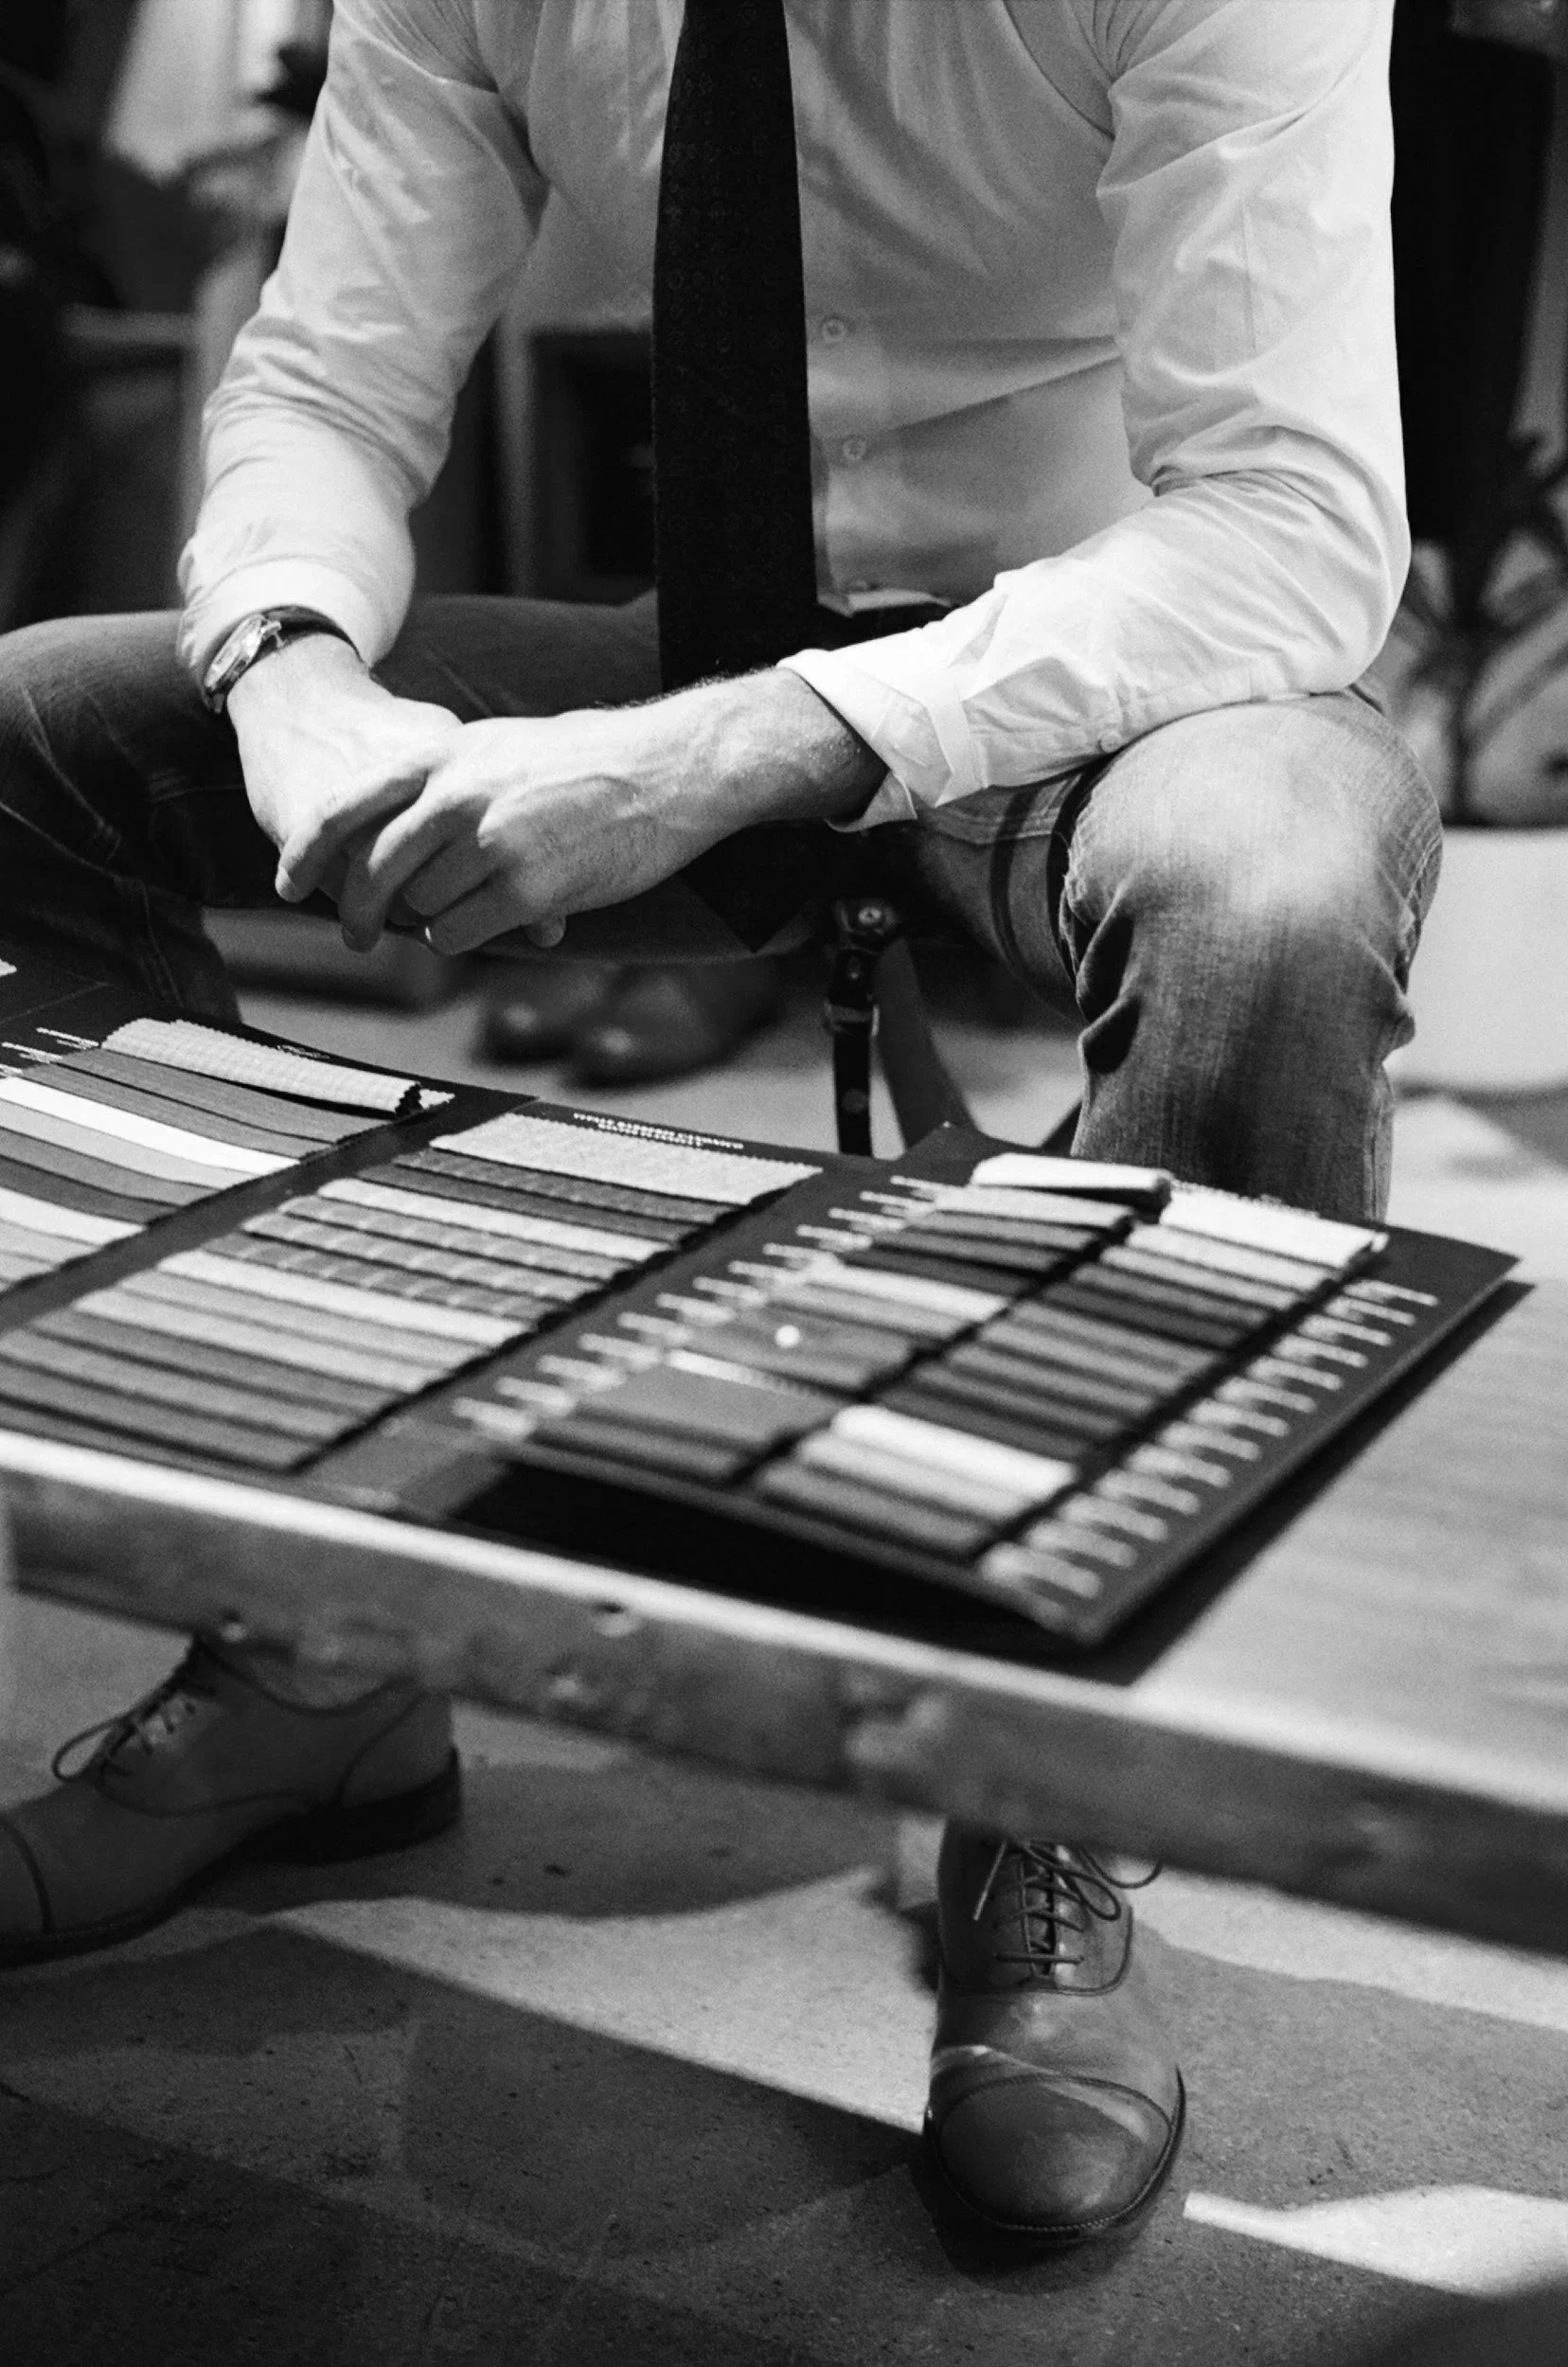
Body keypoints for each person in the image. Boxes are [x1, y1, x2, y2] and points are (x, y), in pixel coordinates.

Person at [0, 0, 1437, 2254]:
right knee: (33, 743)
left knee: (1267, 882)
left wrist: (729, 753)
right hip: (714, 632)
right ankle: (311, 1640)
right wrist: (291, 673)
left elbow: (1291, 525)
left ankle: (1048, 1797)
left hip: (1134, 673)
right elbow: (326, 375)